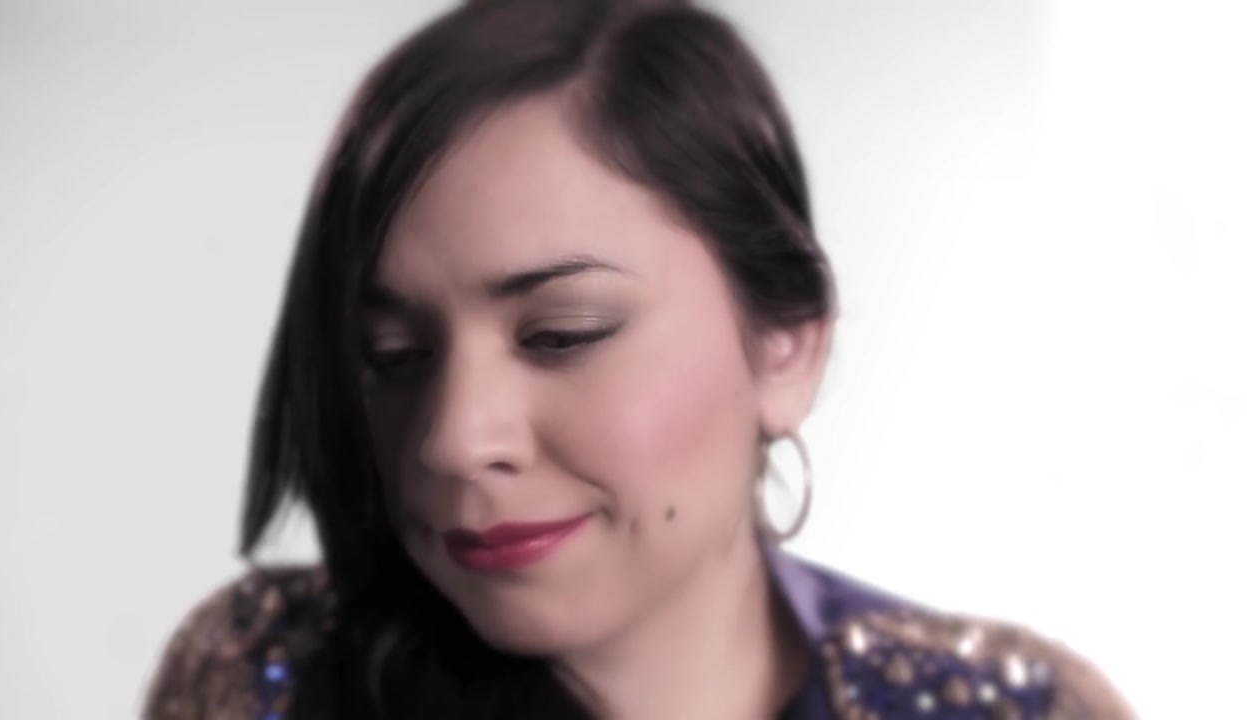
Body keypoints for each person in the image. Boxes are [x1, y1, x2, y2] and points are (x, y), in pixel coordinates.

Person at [144, 1, 1131, 717]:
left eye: (561, 334)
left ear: (786, 345)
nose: (452, 439)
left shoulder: (1012, 709)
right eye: (392, 355)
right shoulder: (259, 679)